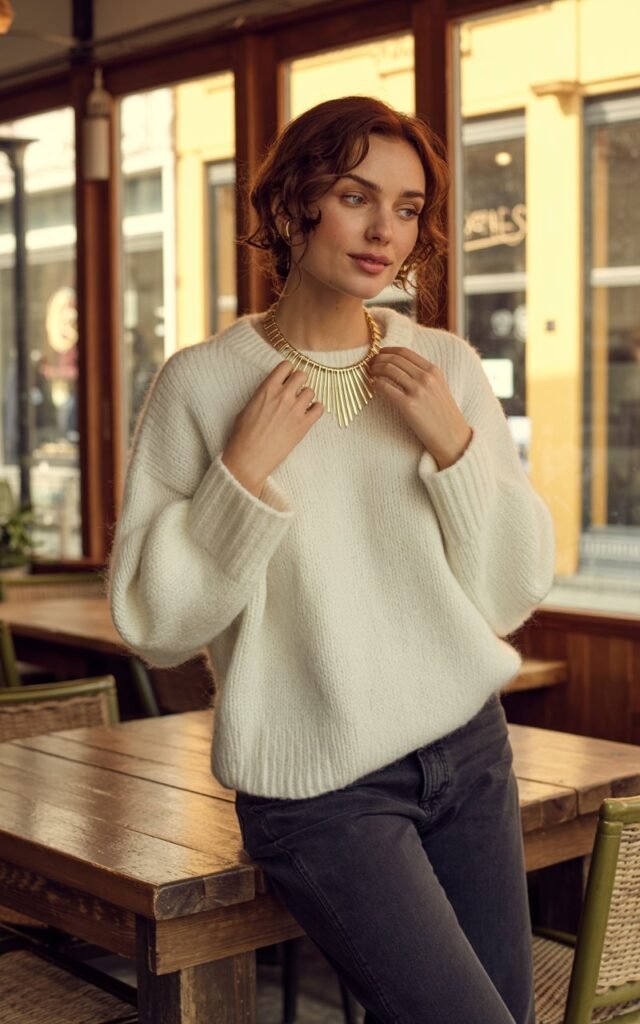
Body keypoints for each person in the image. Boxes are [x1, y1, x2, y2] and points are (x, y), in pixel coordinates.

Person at [109, 95, 555, 1024]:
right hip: (320, 787)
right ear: (295, 200)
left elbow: (511, 589)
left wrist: (454, 445)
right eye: (357, 196)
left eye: (407, 208)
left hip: (469, 754)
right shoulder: (201, 384)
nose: (385, 230)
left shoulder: (445, 368)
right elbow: (154, 625)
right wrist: (241, 473)